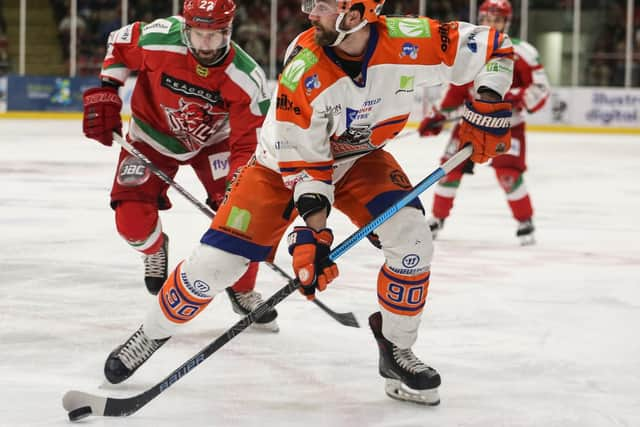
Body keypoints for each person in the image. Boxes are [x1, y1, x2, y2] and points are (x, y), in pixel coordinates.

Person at [101, 0, 514, 405]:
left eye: (322, 6)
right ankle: (152, 332)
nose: (310, 13)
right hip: (278, 168)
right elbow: (306, 169)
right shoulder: (304, 70)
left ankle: (396, 349)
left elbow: (495, 47)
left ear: (355, 15)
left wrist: (489, 100)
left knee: (413, 240)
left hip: (361, 159)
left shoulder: (412, 40)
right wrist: (314, 233)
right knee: (211, 269)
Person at [81, 0, 279, 330]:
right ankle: (155, 248)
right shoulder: (159, 38)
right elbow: (118, 43)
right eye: (198, 35)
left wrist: (238, 180)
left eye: (214, 36)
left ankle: (243, 289)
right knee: (130, 220)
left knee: (244, 216)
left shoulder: (246, 77)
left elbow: (247, 141)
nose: (205, 45)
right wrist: (108, 91)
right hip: (151, 135)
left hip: (215, 143)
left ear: (229, 32)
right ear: (185, 28)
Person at [418, 0, 551, 245]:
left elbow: (541, 88)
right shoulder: (469, 49)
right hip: (470, 122)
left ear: (506, 22)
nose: (491, 24)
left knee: (508, 174)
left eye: (497, 19)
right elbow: (457, 90)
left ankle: (525, 220)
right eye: (487, 19)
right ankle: (437, 218)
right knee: (450, 169)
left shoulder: (524, 52)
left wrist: (514, 99)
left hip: (507, 125)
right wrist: (439, 115)